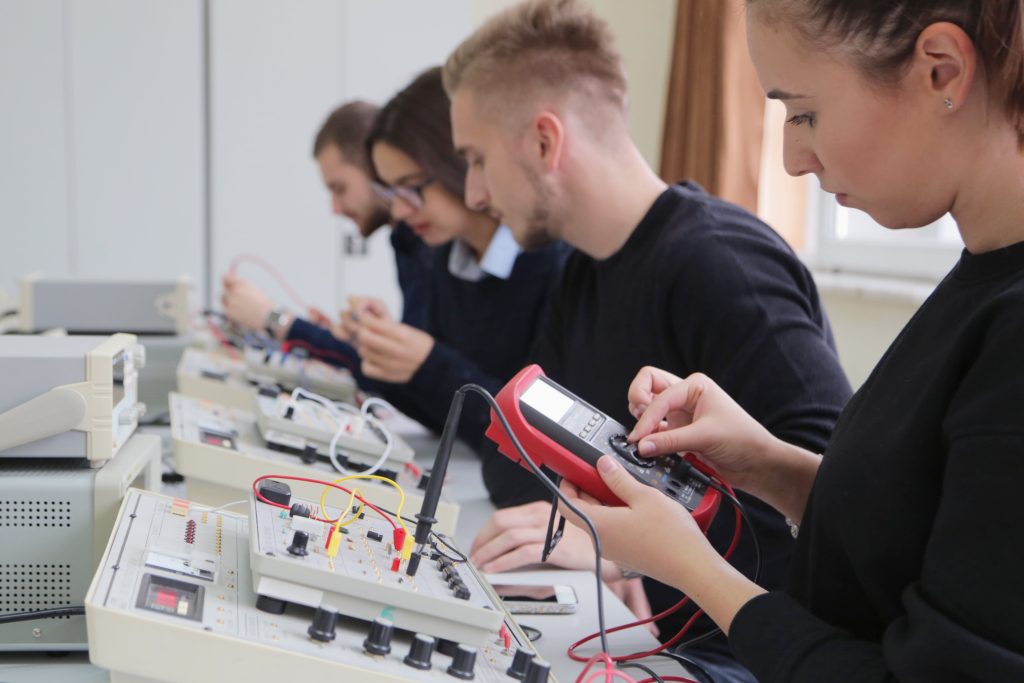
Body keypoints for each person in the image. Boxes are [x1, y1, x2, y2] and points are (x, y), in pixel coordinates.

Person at [555, 1, 1024, 681]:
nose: (793, 159)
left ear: (940, 70)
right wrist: (770, 466)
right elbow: (925, 536)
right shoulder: (982, 275)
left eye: (803, 113)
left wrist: (691, 565)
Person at [444, 1, 852, 679]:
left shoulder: (720, 264)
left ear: (545, 142)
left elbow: (842, 507)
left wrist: (624, 552)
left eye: (476, 159)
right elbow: (511, 460)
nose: (473, 192)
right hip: (682, 635)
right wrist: (610, 547)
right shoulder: (583, 272)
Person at [344, 66, 569, 451]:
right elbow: (443, 409)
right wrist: (384, 350)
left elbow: (546, 434)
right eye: (392, 192)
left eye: (411, 189)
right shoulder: (444, 256)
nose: (398, 212)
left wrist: (428, 363)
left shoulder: (556, 264)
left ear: (460, 162)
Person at [221, 100, 433, 362]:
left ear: (376, 169)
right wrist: (378, 336)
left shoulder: (428, 241)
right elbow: (410, 371)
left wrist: (274, 318)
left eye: (339, 188)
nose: (335, 208)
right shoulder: (405, 241)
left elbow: (408, 376)